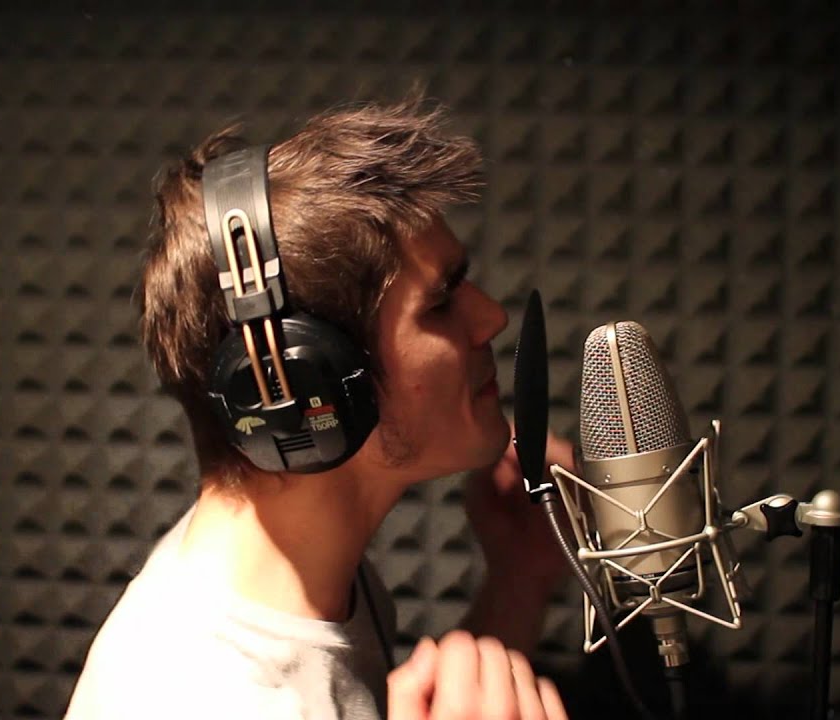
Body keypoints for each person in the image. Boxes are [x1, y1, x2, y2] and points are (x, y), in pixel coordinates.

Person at [65, 97, 577, 719]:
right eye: (441, 302)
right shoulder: (206, 699)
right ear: (304, 383)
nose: (491, 317)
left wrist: (519, 577)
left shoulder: (299, 587)